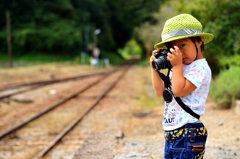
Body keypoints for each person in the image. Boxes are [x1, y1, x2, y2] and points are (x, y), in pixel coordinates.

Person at [150, 14, 214, 159]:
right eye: (173, 48)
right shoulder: (179, 67)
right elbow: (160, 92)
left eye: (182, 45)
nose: (178, 52)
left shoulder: (200, 68)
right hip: (172, 132)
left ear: (199, 40)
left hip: (188, 132)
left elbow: (178, 91)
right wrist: (155, 69)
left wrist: (177, 65)